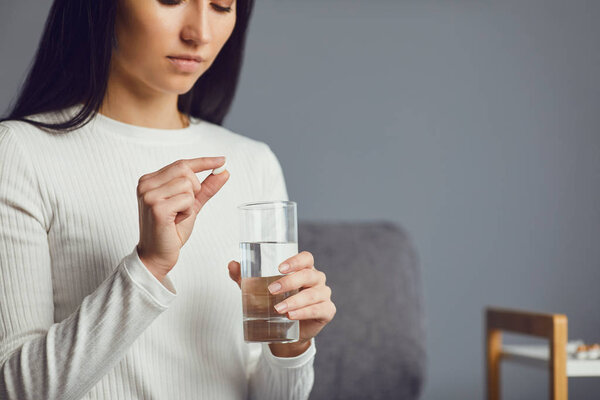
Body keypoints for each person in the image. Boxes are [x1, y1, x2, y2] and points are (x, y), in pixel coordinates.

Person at [0, 0, 336, 398]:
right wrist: (148, 266)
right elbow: (15, 389)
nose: (199, 34)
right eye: (170, 0)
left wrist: (290, 347)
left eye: (221, 6)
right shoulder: (19, 153)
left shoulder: (254, 162)